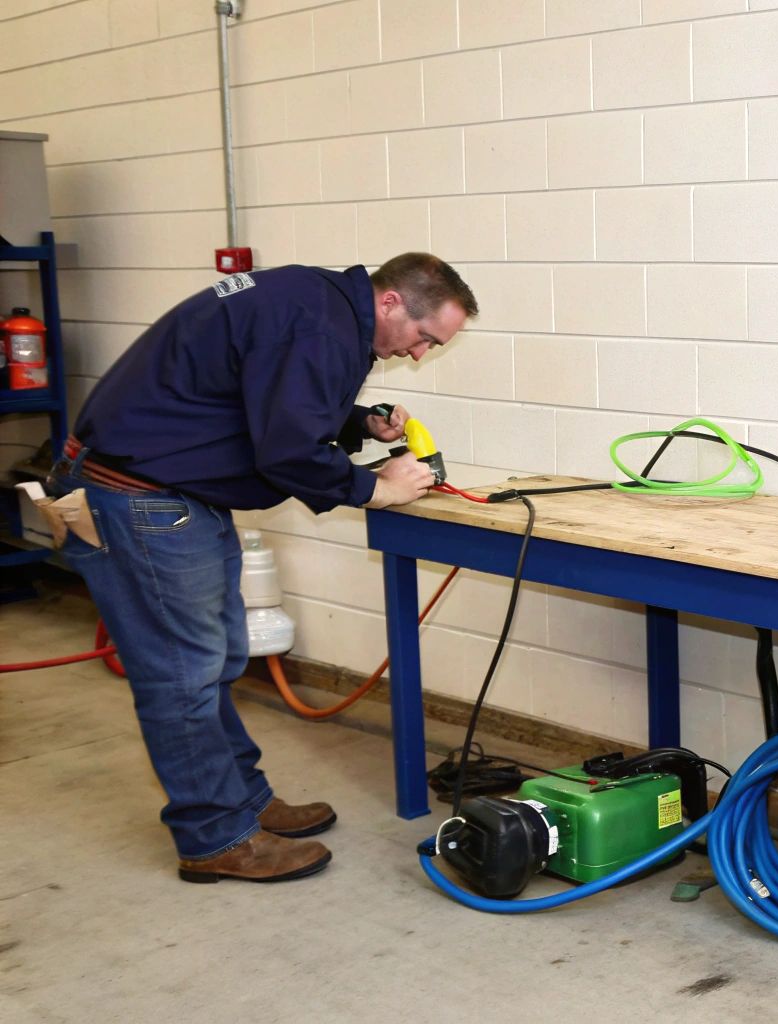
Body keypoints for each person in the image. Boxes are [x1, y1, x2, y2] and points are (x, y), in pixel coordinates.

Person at [47, 253, 477, 883]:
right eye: (424, 338)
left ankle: (243, 803)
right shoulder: (319, 323)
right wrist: (372, 489)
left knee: (214, 659)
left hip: (177, 494)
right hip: (142, 498)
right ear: (391, 303)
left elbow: (263, 399)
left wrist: (357, 423)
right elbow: (287, 450)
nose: (418, 354)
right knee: (182, 676)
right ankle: (215, 836)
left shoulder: (319, 304)